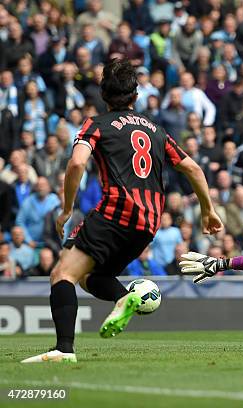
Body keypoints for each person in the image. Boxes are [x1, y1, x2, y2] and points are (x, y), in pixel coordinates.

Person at [21, 59, 223, 364]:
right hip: (147, 225)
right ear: (136, 95)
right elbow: (192, 168)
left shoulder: (96, 124)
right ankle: (124, 297)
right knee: (90, 275)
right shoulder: (156, 131)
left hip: (116, 213)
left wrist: (66, 209)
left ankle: (64, 349)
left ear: (103, 96)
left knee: (62, 273)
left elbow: (76, 163)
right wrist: (208, 210)